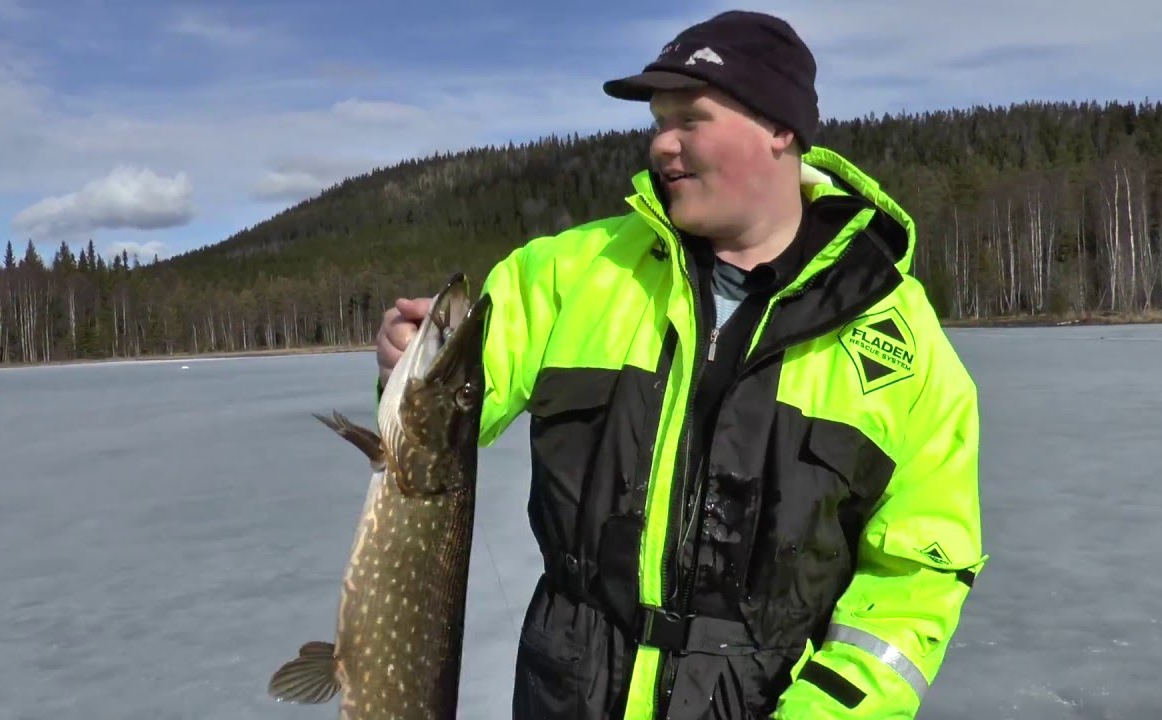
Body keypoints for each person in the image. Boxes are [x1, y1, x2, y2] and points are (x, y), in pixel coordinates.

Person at [376, 10, 985, 719]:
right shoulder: (567, 273)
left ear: (780, 128)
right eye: (658, 121)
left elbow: (916, 579)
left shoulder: (901, 340)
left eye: (689, 119)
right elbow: (443, 422)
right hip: (567, 695)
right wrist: (405, 361)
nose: (662, 144)